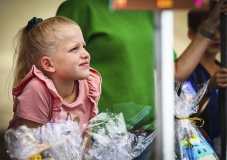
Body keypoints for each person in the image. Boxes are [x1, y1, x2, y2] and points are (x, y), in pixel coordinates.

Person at [56, 0, 227, 159]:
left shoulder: (147, 8)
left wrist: (211, 24)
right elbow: (55, 67)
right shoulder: (80, 6)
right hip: (98, 134)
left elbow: (175, 71)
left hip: (145, 135)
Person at [7, 16, 101, 136]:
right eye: (74, 49)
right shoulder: (36, 90)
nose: (86, 54)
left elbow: (86, 139)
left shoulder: (89, 85)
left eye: (84, 46)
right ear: (48, 64)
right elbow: (32, 146)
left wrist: (83, 155)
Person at [185, 8, 227, 156]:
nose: (216, 37)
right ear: (192, 34)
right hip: (199, 150)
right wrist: (210, 87)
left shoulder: (223, 68)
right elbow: (186, 113)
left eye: (220, 30)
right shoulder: (184, 72)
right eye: (209, 31)